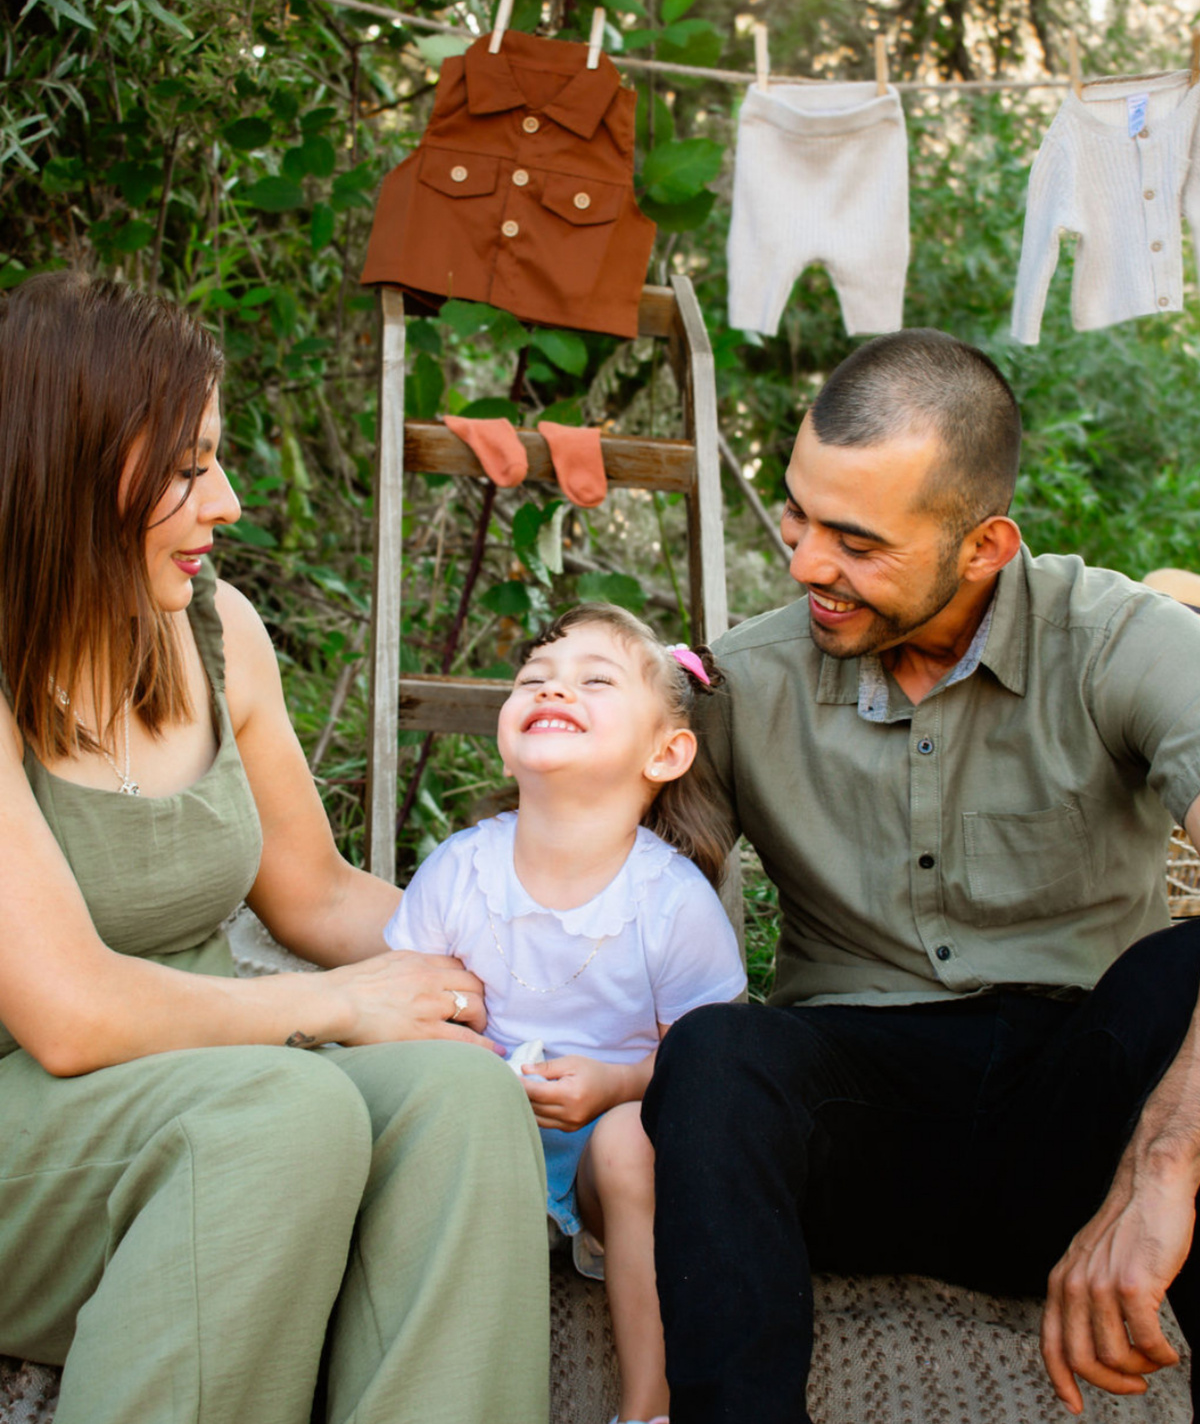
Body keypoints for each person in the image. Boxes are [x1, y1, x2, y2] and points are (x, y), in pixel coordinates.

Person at [0, 270, 550, 1424]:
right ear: (71, 470)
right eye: (189, 467)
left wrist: (528, 958)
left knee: (462, 1095)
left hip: (217, 1077)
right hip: (34, 1124)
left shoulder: (216, 630)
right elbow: (70, 1014)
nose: (230, 501)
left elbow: (318, 894)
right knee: (284, 1110)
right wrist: (338, 1005)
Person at [640, 328, 1200, 1423]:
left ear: (985, 545)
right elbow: (604, 876)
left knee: (1185, 972)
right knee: (718, 1054)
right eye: (800, 516)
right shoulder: (745, 679)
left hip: (1084, 1107)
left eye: (857, 542)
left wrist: (1167, 1162)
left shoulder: (1120, 640)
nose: (806, 565)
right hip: (861, 1124)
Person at [383, 605, 746, 1424]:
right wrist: (465, 1055)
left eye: (595, 681)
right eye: (534, 679)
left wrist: (615, 1084)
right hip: (482, 1137)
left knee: (629, 1140)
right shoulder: (461, 871)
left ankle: (648, 1409)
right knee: (432, 1108)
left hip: (609, 1158)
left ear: (665, 752)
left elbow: (707, 1063)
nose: (554, 689)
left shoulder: (669, 901)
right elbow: (403, 1004)